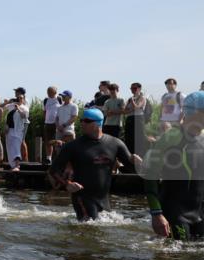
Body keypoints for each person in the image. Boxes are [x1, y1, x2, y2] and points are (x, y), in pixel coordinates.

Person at [48, 108, 136, 222]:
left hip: (103, 199)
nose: (82, 123)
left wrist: (137, 161)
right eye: (82, 120)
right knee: (89, 229)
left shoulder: (115, 143)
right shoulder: (73, 146)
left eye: (87, 121)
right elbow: (53, 170)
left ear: (97, 123)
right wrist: (67, 184)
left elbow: (131, 165)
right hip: (82, 197)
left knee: (103, 231)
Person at [144, 91, 204, 241]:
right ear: (194, 112)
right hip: (175, 214)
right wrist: (156, 214)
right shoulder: (170, 138)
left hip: (199, 214)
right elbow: (150, 176)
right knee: (178, 259)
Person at [3, 88, 30, 170]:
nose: (19, 99)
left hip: (18, 131)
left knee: (16, 147)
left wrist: (18, 108)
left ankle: (18, 165)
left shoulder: (24, 107)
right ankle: (13, 165)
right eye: (18, 98)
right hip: (9, 130)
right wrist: (7, 102)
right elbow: (3, 110)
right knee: (10, 147)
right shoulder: (11, 106)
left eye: (21, 98)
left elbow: (24, 116)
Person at [124, 82, 148, 160]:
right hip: (130, 118)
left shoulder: (142, 98)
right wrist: (130, 106)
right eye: (131, 88)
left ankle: (141, 157)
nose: (133, 90)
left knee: (139, 138)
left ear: (139, 89)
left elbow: (137, 107)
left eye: (134, 88)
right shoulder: (130, 99)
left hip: (138, 118)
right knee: (129, 138)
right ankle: (130, 157)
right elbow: (125, 110)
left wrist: (132, 102)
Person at [42, 86, 61, 164]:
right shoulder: (46, 100)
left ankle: (58, 158)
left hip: (57, 123)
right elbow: (44, 111)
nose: (48, 93)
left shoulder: (60, 99)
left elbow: (63, 109)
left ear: (55, 92)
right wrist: (45, 121)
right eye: (48, 92)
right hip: (47, 123)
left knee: (57, 141)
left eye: (50, 92)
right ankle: (49, 158)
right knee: (48, 141)